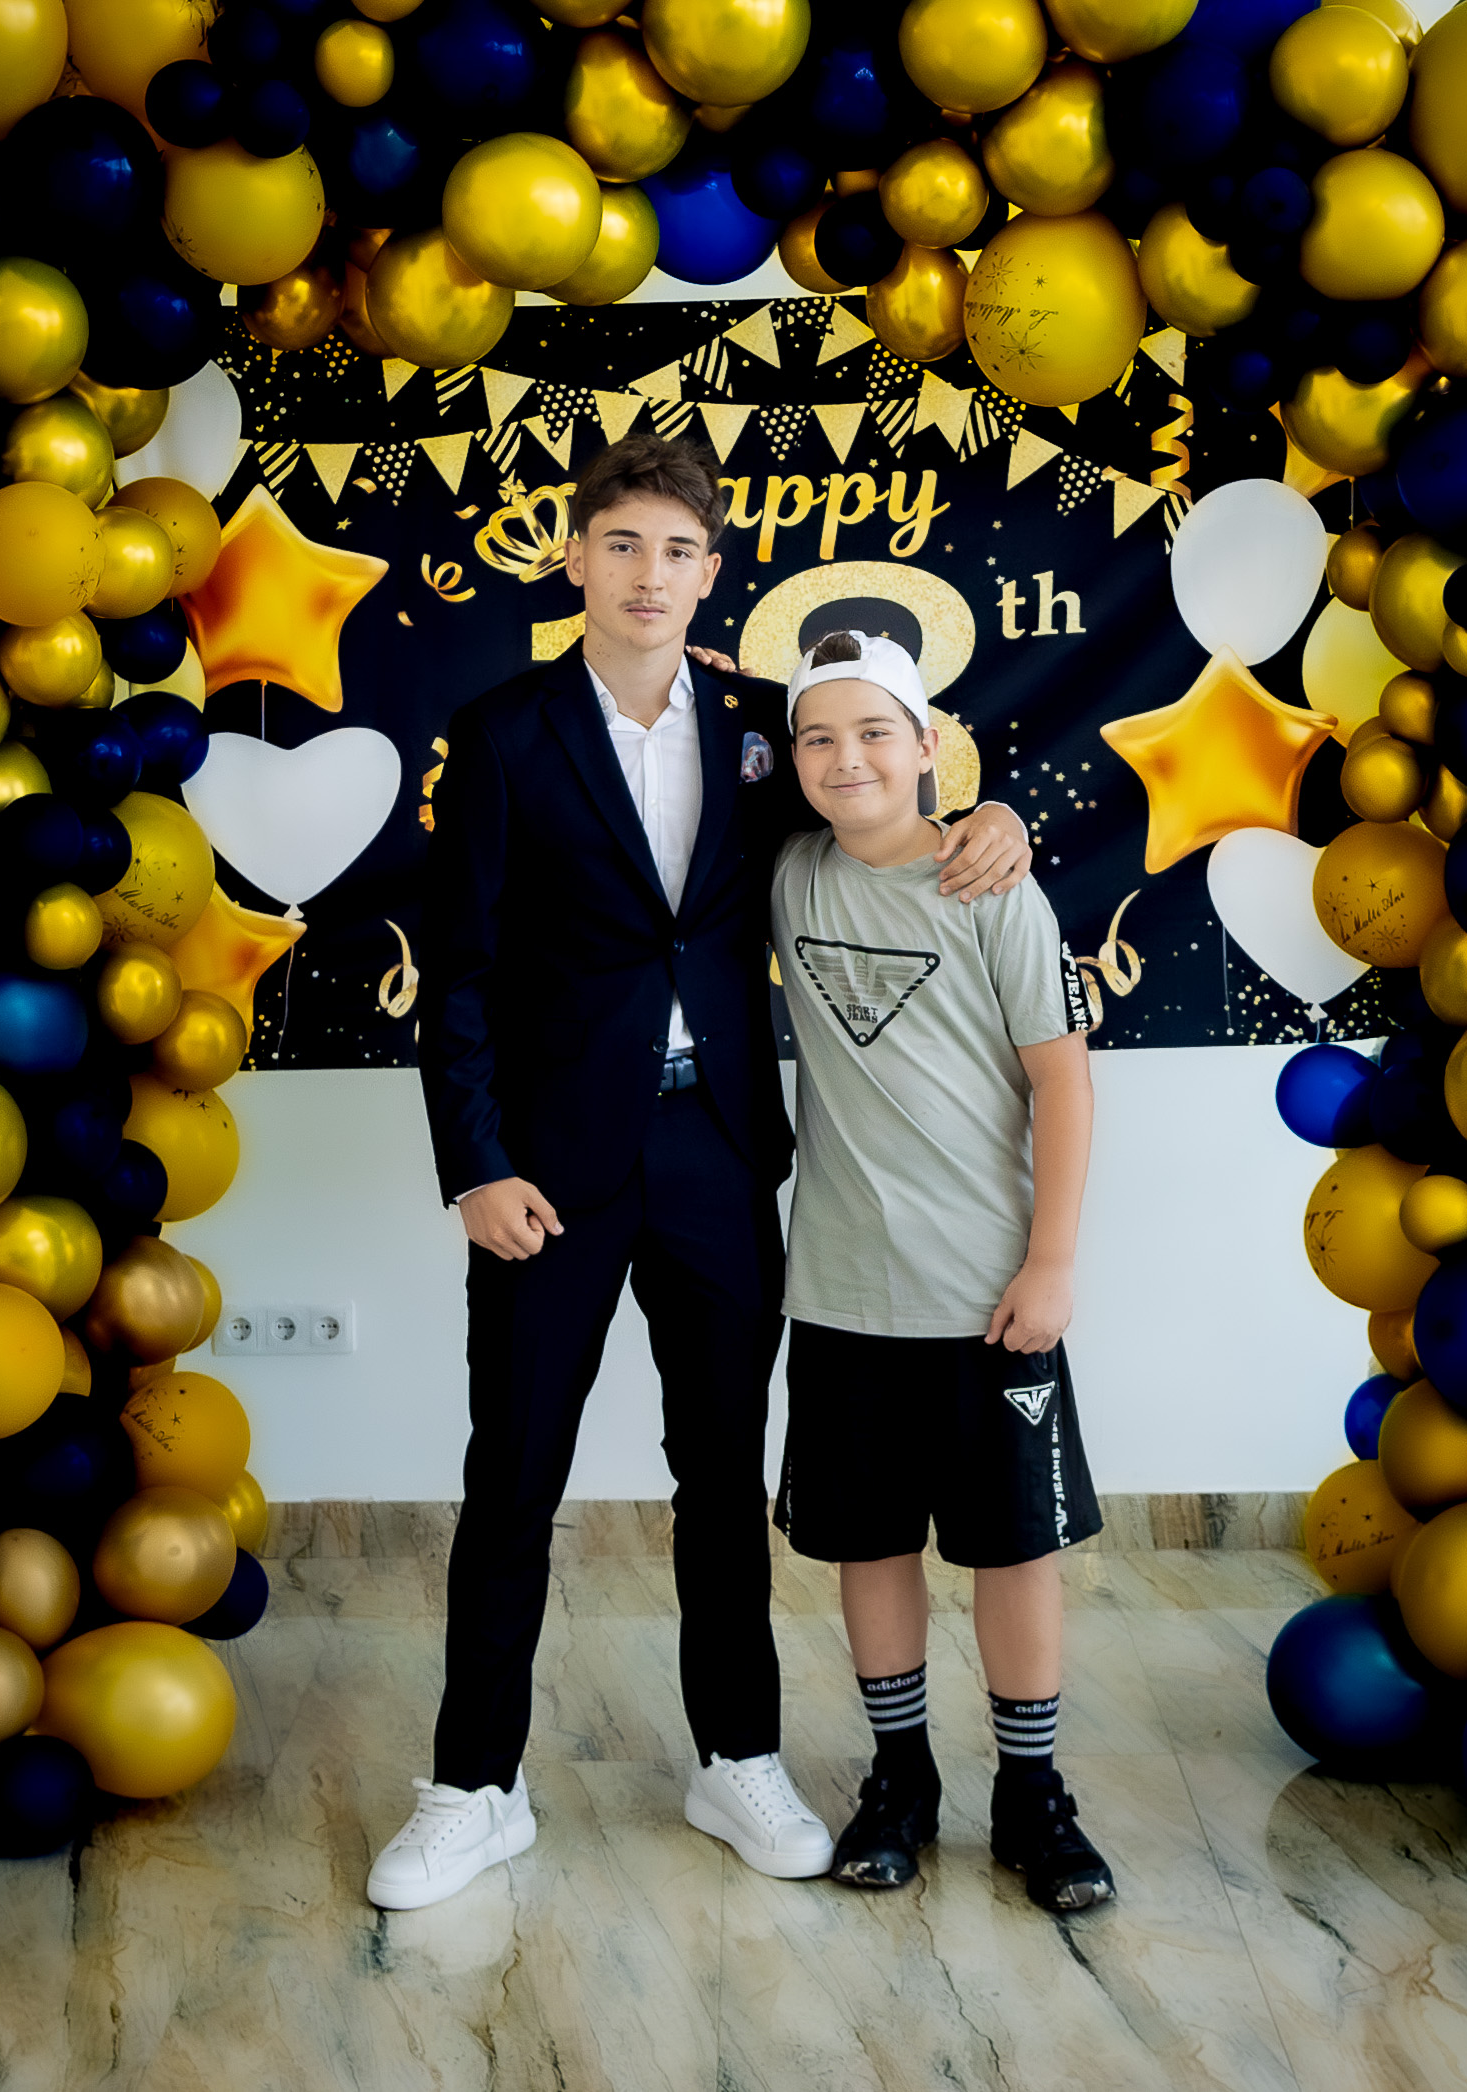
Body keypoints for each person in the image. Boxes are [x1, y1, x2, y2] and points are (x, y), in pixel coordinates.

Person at [365, 436, 1033, 1910]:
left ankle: (736, 1756)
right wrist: (475, 1164)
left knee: (722, 1478)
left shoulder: (761, 725)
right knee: (512, 1477)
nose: (648, 573)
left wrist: (995, 816)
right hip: (548, 1170)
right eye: (621, 544)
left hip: (720, 1154)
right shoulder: (502, 731)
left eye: (676, 550)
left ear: (711, 572)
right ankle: (474, 1786)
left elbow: (882, 804)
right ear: (575, 557)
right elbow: (458, 971)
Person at [770, 628, 1115, 1915]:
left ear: (928, 746)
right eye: (818, 737)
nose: (846, 758)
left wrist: (1052, 1260)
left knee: (1012, 1549)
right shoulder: (789, 875)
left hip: (989, 1298)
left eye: (875, 732)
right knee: (871, 1544)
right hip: (842, 1294)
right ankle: (899, 1776)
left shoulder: (994, 889)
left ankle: (1032, 1790)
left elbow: (1062, 1081)